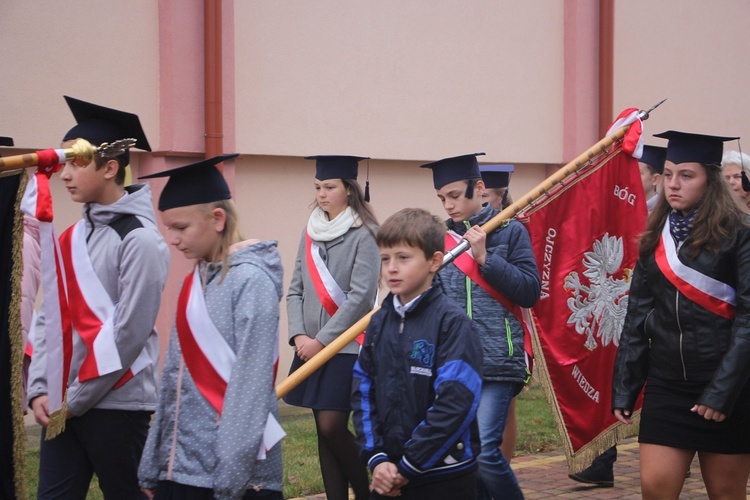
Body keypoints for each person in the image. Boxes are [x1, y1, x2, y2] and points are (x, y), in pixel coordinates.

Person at [26, 96, 170, 499]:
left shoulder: (140, 240)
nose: (65, 174)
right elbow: (48, 316)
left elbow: (128, 332)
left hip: (119, 404)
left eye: (76, 163)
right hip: (63, 402)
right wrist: (40, 386)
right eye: (64, 164)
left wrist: (73, 399)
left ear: (110, 168)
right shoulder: (71, 238)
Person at [612, 130, 750, 499]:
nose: (673, 184)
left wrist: (721, 394)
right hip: (667, 384)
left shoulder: (741, 234)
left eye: (686, 175)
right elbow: (637, 314)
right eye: (668, 174)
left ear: (711, 180)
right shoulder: (656, 233)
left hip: (727, 388)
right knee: (656, 488)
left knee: (726, 494)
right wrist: (626, 385)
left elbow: (748, 321)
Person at [138, 154, 283, 499]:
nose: (172, 239)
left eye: (180, 227)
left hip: (232, 479)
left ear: (217, 219)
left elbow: (250, 387)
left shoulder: (251, 282)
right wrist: (152, 464)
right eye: (168, 227)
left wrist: (229, 480)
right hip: (181, 469)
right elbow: (173, 377)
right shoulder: (194, 280)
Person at [422, 153, 541, 500]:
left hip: (498, 362)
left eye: (455, 195)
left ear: (478, 188)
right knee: (465, 456)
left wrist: (486, 259)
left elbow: (530, 292)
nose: (449, 205)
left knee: (488, 451)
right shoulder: (439, 240)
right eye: (442, 198)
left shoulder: (511, 231)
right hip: (455, 364)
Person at [351, 208, 483, 499]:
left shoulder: (453, 324)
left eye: (403, 258)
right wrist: (377, 457)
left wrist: (410, 465)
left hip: (443, 478)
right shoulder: (378, 322)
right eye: (385, 259)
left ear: (435, 261)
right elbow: (363, 391)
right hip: (388, 473)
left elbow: (455, 402)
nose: (391, 268)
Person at [569, 144, 669, 488]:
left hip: (660, 317)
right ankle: (603, 461)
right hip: (628, 314)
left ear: (656, 179)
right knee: (616, 376)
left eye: (637, 173)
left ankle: (679, 451)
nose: (631, 179)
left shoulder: (664, 217)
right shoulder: (627, 211)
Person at [283, 155, 379, 500]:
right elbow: (295, 288)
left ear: (350, 191)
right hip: (308, 346)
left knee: (332, 425)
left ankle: (368, 493)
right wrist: (298, 335)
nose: (321, 194)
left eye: (329, 187)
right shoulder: (310, 230)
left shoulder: (366, 234)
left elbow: (361, 297)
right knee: (324, 434)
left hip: (346, 347)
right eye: (318, 187)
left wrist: (321, 340)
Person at [479, 163, 519, 464]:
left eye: (487, 198)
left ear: (501, 196)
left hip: (503, 340)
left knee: (506, 411)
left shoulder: (514, 232)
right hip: (468, 343)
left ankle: (501, 470)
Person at [640, 145, 667, 213]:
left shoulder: (663, 211)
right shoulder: (623, 205)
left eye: (639, 173)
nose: (632, 177)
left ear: (655, 179)